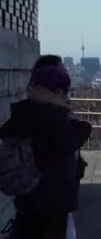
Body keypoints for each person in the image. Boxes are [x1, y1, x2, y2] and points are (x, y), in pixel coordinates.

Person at [0, 55, 92, 239]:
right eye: (64, 91)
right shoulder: (53, 121)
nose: (67, 95)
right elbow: (82, 131)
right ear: (56, 92)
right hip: (51, 211)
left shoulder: (23, 112)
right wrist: (61, 107)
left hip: (27, 207)